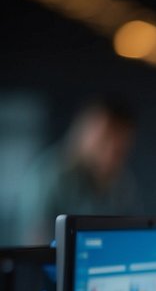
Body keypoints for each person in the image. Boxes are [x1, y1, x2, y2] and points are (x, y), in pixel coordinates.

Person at [19, 96, 139, 244]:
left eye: (119, 148)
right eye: (104, 139)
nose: (111, 151)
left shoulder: (122, 181)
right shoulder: (49, 175)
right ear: (83, 132)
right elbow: (34, 243)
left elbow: (128, 235)